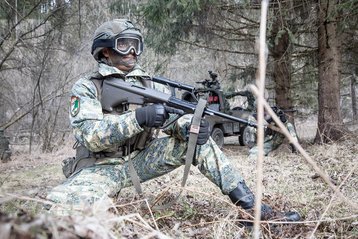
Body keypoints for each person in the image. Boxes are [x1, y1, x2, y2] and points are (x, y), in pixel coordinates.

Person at [46, 19, 300, 222]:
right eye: (124, 44)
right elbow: (89, 135)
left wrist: (188, 127)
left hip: (140, 160)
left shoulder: (149, 84)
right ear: (105, 50)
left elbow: (170, 119)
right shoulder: (87, 87)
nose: (132, 52)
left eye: (136, 45)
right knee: (56, 212)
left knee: (198, 143)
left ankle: (252, 211)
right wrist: (138, 118)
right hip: (99, 168)